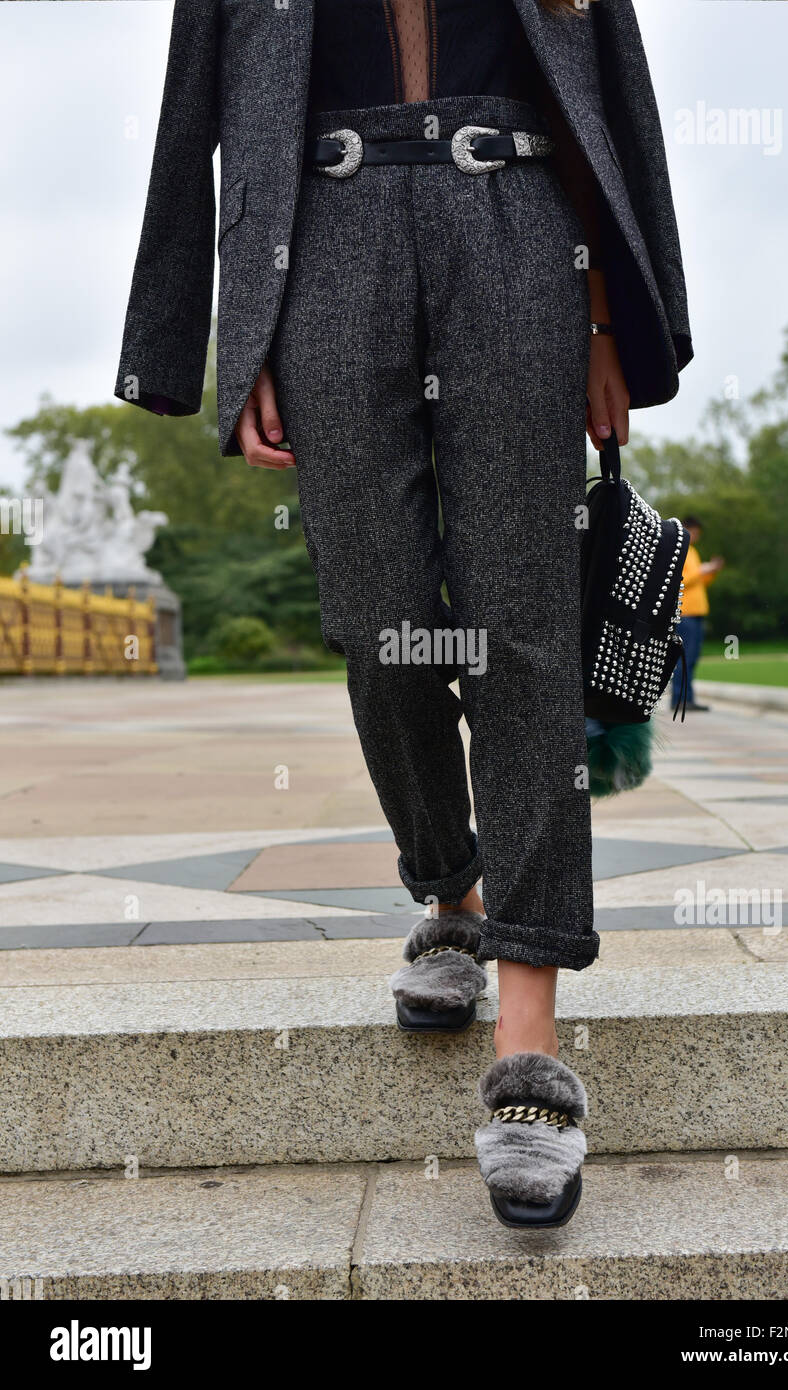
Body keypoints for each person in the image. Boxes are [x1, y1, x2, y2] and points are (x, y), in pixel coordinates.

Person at [115, 0, 692, 1229]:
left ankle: (526, 1042)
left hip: (518, 236)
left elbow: (605, 92)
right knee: (379, 626)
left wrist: (608, 319)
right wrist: (228, 340)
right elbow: (194, 129)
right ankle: (451, 893)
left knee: (526, 628)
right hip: (327, 244)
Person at [672, 516, 724, 713]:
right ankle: (680, 699)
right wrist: (702, 570)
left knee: (692, 658)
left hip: (697, 613)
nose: (696, 536)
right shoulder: (680, 549)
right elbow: (680, 579)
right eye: (694, 532)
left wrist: (711, 572)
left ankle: (687, 698)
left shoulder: (692, 551)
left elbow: (700, 583)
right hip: (685, 613)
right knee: (684, 657)